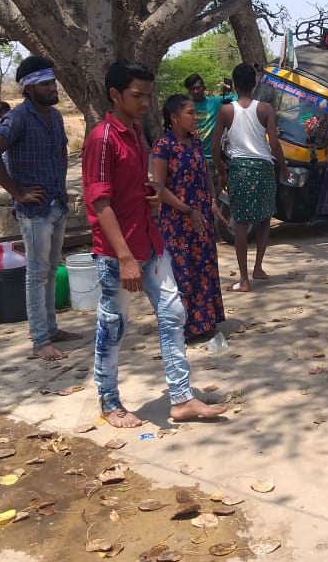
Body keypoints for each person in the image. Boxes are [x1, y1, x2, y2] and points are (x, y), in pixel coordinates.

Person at [83, 61, 227, 427]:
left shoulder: (135, 131)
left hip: (151, 240)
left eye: (148, 95)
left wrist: (148, 194)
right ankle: (109, 401)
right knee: (113, 323)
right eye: (137, 95)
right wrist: (125, 257)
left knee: (174, 313)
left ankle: (181, 398)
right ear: (115, 95)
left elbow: (134, 186)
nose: (146, 102)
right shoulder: (102, 138)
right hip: (121, 251)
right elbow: (99, 203)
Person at [0, 56, 82, 362]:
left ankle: (51, 328)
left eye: (53, 82)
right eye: (46, 84)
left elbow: (62, 152)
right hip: (34, 210)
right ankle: (40, 340)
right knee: (37, 274)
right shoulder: (18, 118)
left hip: (55, 203)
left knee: (51, 270)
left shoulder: (55, 117)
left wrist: (62, 185)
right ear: (29, 88)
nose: (53, 88)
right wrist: (17, 192)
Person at [151, 94, 227, 342]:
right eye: (190, 113)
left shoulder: (195, 142)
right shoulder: (164, 146)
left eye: (196, 113)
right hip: (177, 220)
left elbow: (205, 174)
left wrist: (212, 202)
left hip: (201, 216)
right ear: (174, 118)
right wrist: (187, 210)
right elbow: (159, 189)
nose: (196, 118)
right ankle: (186, 327)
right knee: (183, 270)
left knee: (204, 266)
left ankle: (205, 322)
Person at [211, 63, 290, 292]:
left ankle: (244, 279)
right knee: (265, 218)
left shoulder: (226, 111)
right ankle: (258, 267)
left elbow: (215, 147)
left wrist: (221, 170)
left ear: (235, 84)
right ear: (254, 83)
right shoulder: (265, 109)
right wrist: (283, 167)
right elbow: (274, 144)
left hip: (239, 169)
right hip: (264, 168)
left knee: (242, 223)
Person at [184, 74, 234, 159]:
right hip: (194, 157)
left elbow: (240, 97)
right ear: (189, 91)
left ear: (204, 88)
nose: (195, 91)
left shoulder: (216, 102)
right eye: (192, 89)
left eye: (198, 88)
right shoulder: (185, 107)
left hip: (215, 157)